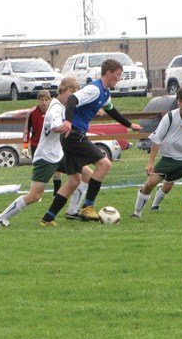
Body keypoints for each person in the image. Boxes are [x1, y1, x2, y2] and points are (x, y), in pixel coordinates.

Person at [39, 59, 142, 226]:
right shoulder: (95, 89)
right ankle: (88, 207)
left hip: (70, 136)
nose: (119, 78)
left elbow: (112, 111)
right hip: (74, 135)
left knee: (74, 181)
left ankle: (48, 218)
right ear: (108, 73)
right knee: (105, 164)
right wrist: (69, 121)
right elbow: (72, 99)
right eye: (118, 75)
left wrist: (129, 125)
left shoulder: (105, 93)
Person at [0, 78, 93, 227]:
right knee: (34, 196)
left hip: (59, 155)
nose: (74, 96)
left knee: (85, 174)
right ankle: (2, 217)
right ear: (63, 90)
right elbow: (55, 127)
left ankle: (72, 211)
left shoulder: (63, 105)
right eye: (72, 92)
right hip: (46, 157)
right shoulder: (55, 109)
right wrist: (66, 127)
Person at [132, 86, 182, 218]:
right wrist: (150, 162)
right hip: (169, 158)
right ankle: (136, 214)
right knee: (149, 184)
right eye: (180, 101)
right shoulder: (170, 117)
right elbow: (156, 139)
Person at [23, 90, 62, 194]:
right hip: (37, 144)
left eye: (46, 100)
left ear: (49, 100)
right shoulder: (32, 112)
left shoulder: (54, 111)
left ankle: (56, 192)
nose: (44, 102)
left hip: (52, 144)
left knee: (57, 167)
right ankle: (35, 192)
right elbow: (26, 129)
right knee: (39, 168)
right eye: (42, 100)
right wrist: (25, 146)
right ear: (38, 100)